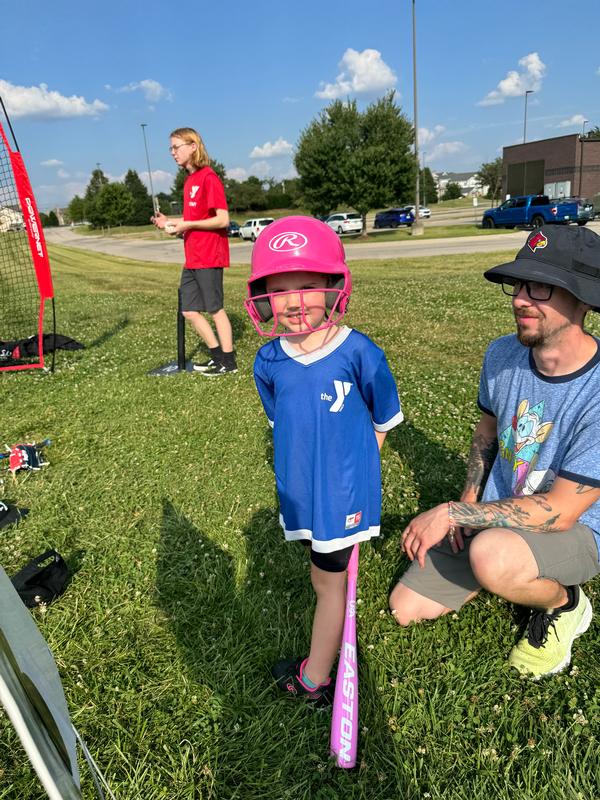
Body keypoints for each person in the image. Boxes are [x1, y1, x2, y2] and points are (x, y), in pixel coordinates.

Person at [390, 225, 600, 679]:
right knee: (407, 608)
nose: (520, 299)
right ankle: (503, 567)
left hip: (580, 531)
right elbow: (487, 429)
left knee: (491, 557)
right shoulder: (502, 354)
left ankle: (565, 603)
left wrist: (453, 514)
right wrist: (468, 502)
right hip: (498, 515)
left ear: (583, 299)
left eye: (541, 287)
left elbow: (562, 512)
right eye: (519, 284)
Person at [245, 216, 403, 705]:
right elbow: (286, 425)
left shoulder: (359, 352)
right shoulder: (268, 361)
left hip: (340, 495)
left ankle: (314, 679)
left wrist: (354, 478)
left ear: (335, 285)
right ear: (263, 297)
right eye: (280, 290)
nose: (294, 302)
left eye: (308, 286)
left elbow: (383, 417)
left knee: (327, 584)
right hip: (302, 491)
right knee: (322, 574)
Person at [152, 127, 237, 376]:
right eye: (170, 148)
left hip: (209, 255)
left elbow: (222, 220)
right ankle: (217, 357)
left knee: (214, 309)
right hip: (192, 257)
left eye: (176, 147)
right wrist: (171, 224)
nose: (172, 152)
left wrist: (186, 224)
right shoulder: (189, 181)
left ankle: (229, 363)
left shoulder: (209, 177)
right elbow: (193, 222)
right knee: (189, 310)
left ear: (192, 146)